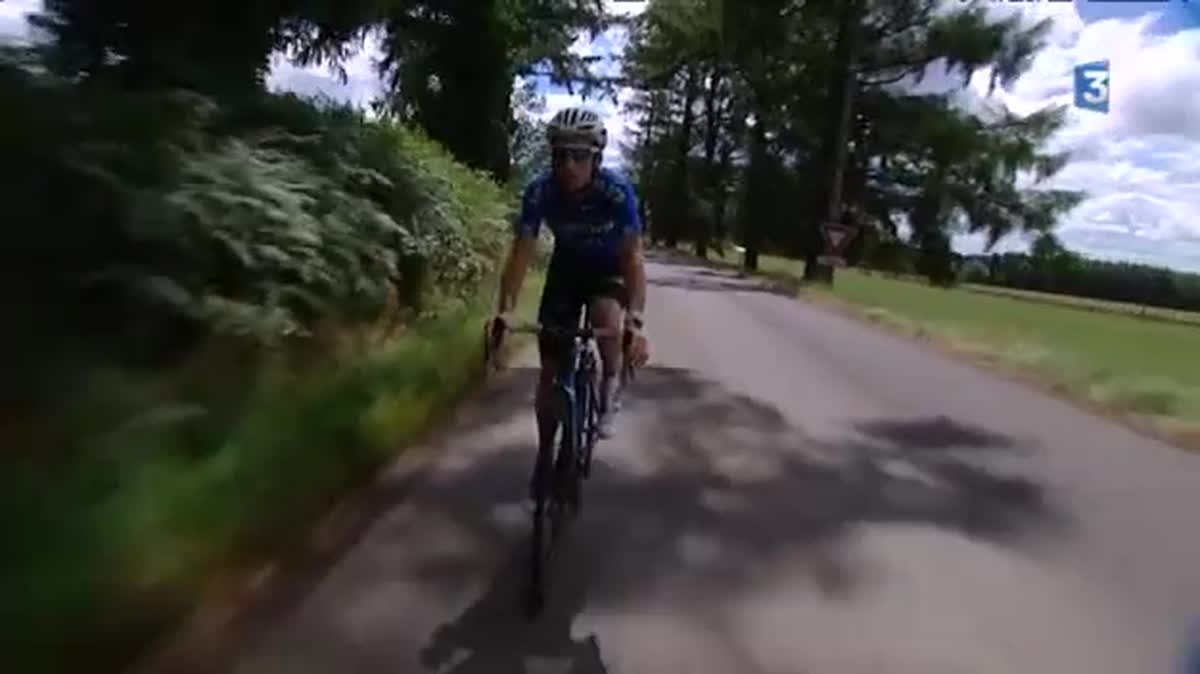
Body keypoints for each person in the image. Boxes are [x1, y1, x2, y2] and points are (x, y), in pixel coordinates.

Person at [491, 106, 649, 498]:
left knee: (604, 315)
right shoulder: (540, 191)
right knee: (549, 374)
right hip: (566, 270)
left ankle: (610, 383)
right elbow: (521, 255)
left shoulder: (616, 192)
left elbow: (633, 259)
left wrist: (636, 321)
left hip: (609, 269)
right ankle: (545, 454)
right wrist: (505, 310)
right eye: (559, 155)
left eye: (578, 155)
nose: (568, 165)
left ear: (596, 158)